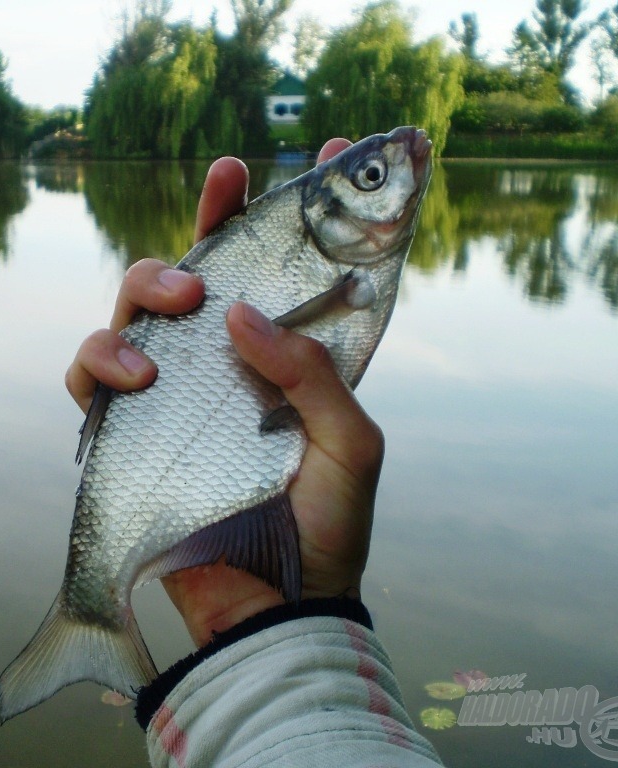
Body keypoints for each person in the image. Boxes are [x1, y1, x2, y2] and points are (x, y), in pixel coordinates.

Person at [66, 142, 445, 767]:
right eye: (373, 177)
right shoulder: (344, 272)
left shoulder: (347, 269)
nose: (399, 172)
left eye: (371, 177)